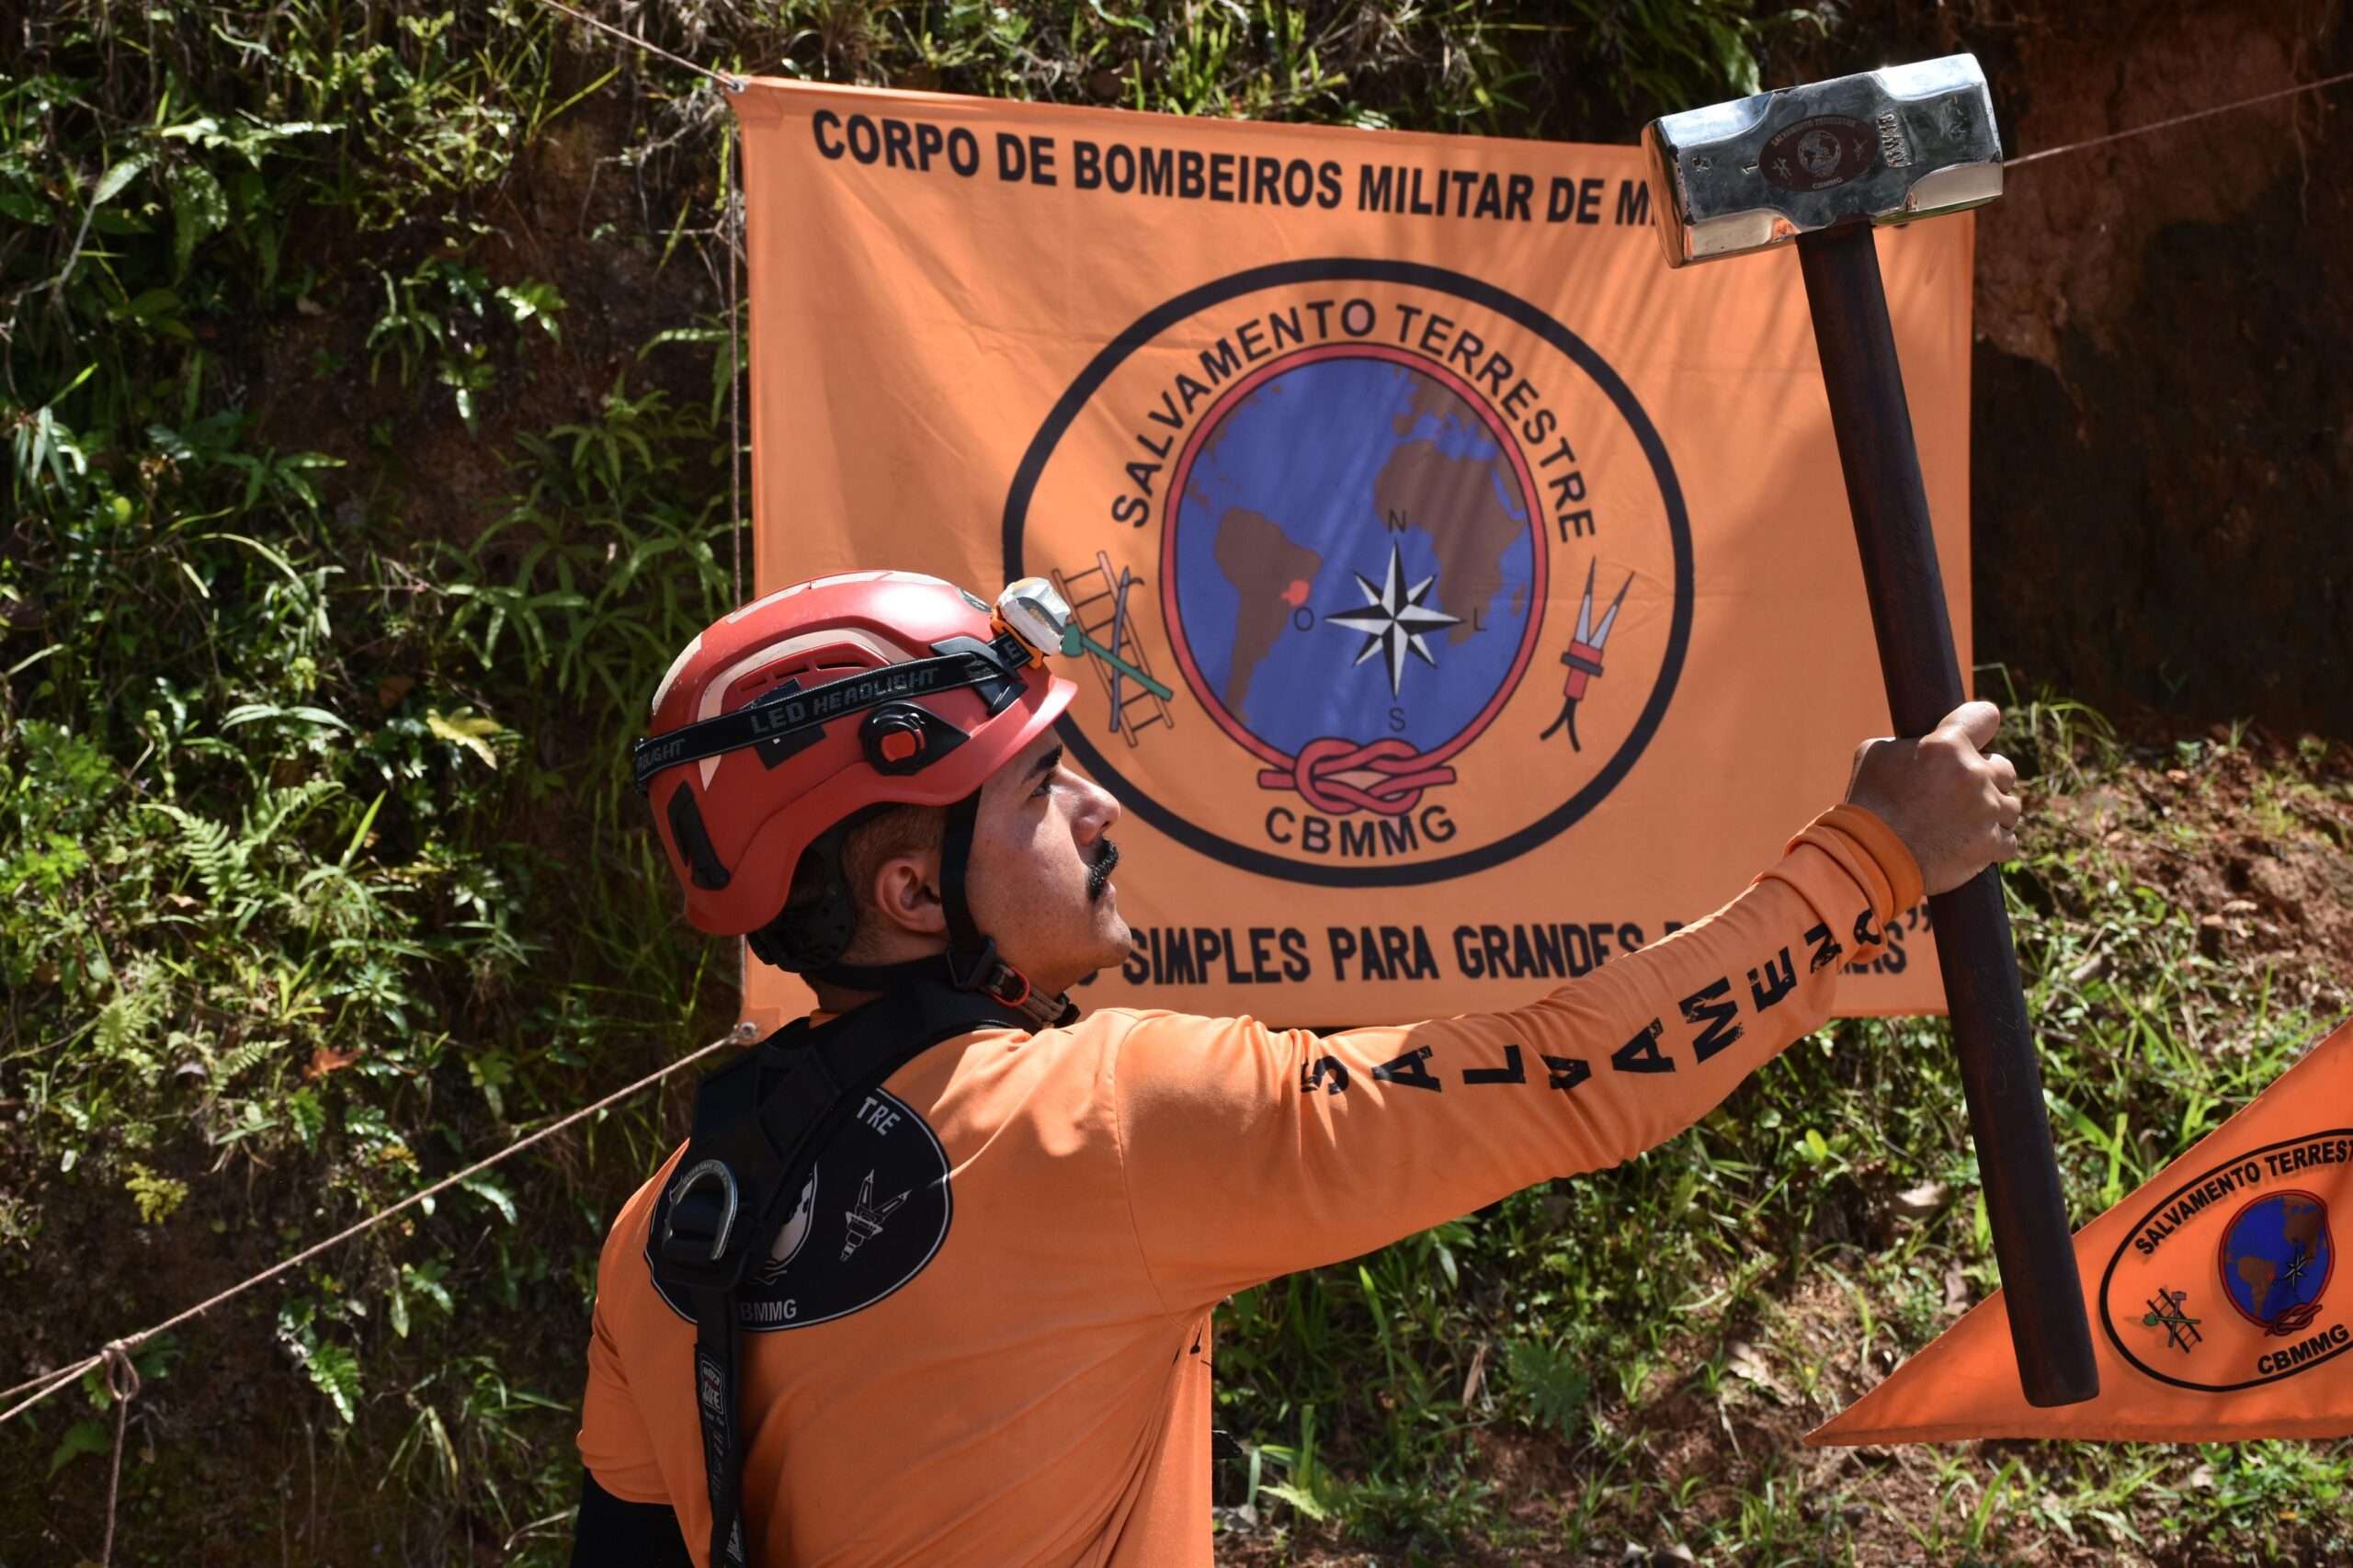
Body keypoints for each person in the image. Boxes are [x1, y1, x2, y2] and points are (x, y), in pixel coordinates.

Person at [574, 569, 2021, 1567]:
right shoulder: (1107, 1122)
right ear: (909, 892)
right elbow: (1568, 1073)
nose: (1098, 809)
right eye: (1039, 784)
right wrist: (1879, 856)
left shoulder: (661, 1230)